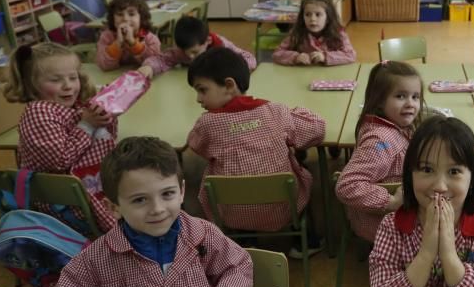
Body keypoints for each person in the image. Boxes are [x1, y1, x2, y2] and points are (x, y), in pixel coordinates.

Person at [35, 136, 258, 287]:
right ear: (113, 207)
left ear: (181, 192)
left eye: (167, 194)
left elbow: (238, 265)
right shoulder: (97, 258)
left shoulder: (203, 234)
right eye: (140, 200)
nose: (157, 209)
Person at [368, 116, 474, 287]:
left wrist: (449, 255)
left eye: (454, 172)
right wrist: (426, 253)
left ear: (472, 180)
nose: (439, 186)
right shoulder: (391, 228)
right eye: (426, 169)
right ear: (409, 176)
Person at [185, 47, 326, 257]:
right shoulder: (275, 112)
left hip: (231, 212)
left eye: (202, 90)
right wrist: (294, 113)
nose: (198, 98)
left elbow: (197, 147)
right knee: (300, 171)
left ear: (229, 86)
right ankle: (307, 243)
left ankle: (246, 240)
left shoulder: (207, 124)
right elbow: (317, 130)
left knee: (228, 175)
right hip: (283, 209)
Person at [5, 42, 117, 233]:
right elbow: (60, 159)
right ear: (32, 83)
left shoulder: (75, 106)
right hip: (66, 203)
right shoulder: (39, 111)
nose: (68, 86)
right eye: (56, 80)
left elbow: (105, 140)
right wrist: (88, 124)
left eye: (73, 77)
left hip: (91, 186)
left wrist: (106, 116)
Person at [336, 61, 422, 242]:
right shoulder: (381, 143)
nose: (410, 104)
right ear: (380, 100)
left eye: (415, 97)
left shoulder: (389, 123)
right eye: (400, 96)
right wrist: (391, 203)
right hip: (385, 226)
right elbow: (347, 185)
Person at [138, 16, 255, 78]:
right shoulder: (181, 51)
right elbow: (161, 59)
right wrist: (149, 67)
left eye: (195, 52)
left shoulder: (222, 48)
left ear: (207, 41)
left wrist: (233, 70)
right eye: (186, 52)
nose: (190, 56)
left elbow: (248, 57)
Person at [272, 0, 356, 65]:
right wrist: (295, 57)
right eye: (308, 14)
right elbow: (277, 54)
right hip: (303, 75)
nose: (312, 19)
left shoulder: (338, 33)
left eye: (318, 14)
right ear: (302, 17)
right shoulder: (297, 33)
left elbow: (351, 55)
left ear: (328, 18)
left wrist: (325, 56)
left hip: (330, 77)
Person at [95, 0, 162, 71]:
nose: (125, 19)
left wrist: (133, 43)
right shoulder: (107, 37)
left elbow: (155, 62)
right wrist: (118, 43)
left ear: (141, 17)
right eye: (120, 14)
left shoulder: (148, 37)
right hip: (114, 78)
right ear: (113, 18)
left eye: (131, 14)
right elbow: (104, 65)